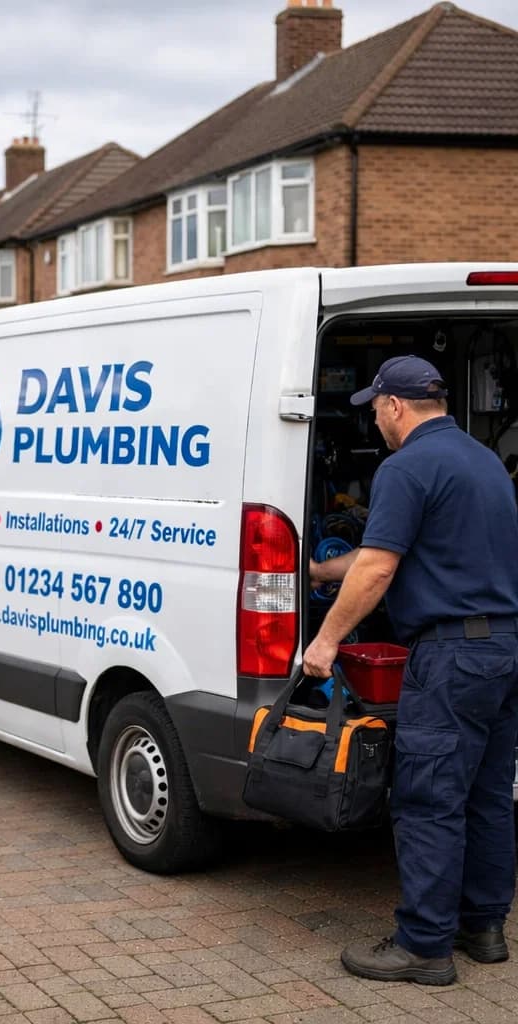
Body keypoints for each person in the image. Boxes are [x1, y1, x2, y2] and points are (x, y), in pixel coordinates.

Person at [303, 354, 518, 986]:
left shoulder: (406, 467)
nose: (375, 422)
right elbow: (384, 551)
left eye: (376, 410)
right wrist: (319, 572)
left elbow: (377, 570)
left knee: (428, 801)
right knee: (486, 798)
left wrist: (325, 640)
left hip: (448, 658)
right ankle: (483, 928)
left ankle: (424, 946)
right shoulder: (483, 463)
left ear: (396, 407)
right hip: (501, 651)